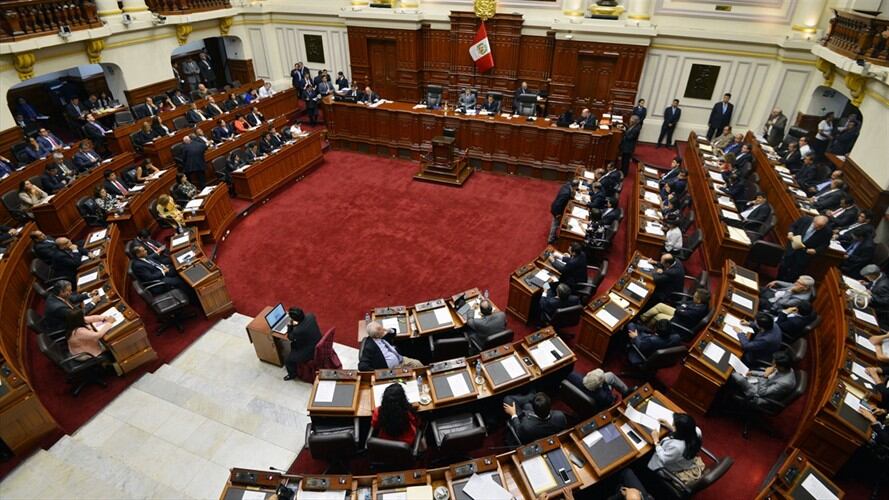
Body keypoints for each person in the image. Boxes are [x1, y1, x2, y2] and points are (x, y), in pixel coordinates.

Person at [647, 413, 703, 482]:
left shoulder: (677, 447)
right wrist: (670, 426)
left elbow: (663, 458)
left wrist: (656, 440)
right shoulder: (697, 431)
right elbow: (685, 433)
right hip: (684, 460)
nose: (672, 425)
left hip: (668, 467)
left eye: (674, 425)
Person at [730, 351, 797, 406]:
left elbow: (761, 393)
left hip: (759, 396)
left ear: (781, 367)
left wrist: (765, 376)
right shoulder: (787, 368)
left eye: (773, 363)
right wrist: (753, 373)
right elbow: (771, 374)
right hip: (763, 384)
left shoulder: (785, 383)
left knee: (737, 377)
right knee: (743, 373)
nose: (772, 364)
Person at [777, 215, 831, 281]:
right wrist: (790, 232)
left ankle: (787, 286)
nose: (818, 228)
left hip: (804, 254)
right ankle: (777, 282)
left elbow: (825, 245)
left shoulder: (827, 231)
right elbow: (793, 226)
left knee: (794, 273)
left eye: (821, 227)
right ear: (814, 220)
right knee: (783, 266)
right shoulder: (805, 219)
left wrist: (816, 250)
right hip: (792, 247)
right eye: (817, 225)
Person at [640, 289, 711, 337]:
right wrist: (682, 308)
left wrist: (682, 308)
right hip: (679, 314)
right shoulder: (699, 302)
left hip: (679, 322)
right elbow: (685, 303)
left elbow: (681, 311)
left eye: (695, 297)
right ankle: (642, 319)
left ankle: (647, 329)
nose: (693, 297)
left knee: (658, 316)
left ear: (699, 300)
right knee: (660, 305)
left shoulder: (698, 310)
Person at [371, 384, 423, 449]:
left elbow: (375, 425)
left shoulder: (378, 412)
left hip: (385, 443)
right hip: (406, 442)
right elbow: (417, 423)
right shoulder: (408, 412)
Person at [358, 321, 423, 371]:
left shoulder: (380, 336)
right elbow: (362, 366)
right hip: (392, 370)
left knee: (418, 364)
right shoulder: (369, 347)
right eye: (381, 330)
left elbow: (393, 332)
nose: (383, 330)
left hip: (402, 360)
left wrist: (388, 330)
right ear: (376, 335)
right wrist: (377, 372)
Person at [283, 307, 323, 381]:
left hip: (310, 351)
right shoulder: (310, 316)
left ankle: (292, 374)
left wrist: (290, 325)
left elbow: (290, 337)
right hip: (318, 341)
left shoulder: (298, 331)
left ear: (295, 319)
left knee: (288, 360)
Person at [566, 368, 631, 411]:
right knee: (611, 376)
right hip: (599, 401)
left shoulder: (572, 375)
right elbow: (610, 401)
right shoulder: (603, 396)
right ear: (600, 385)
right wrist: (604, 383)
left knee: (610, 375)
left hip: (584, 391)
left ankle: (626, 391)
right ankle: (626, 392)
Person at [547, 179, 576, 244]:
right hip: (557, 209)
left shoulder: (567, 185)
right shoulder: (566, 193)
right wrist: (557, 214)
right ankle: (551, 239)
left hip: (556, 207)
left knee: (556, 223)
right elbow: (559, 204)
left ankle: (553, 236)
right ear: (575, 186)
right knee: (555, 224)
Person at [861, 265, 889, 329]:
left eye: (866, 276)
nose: (865, 277)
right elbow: (874, 284)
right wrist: (866, 283)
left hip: (880, 311)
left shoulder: (883, 286)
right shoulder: (880, 275)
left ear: (873, 275)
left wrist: (872, 296)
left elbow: (886, 301)